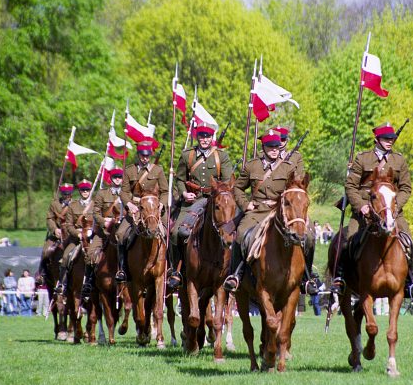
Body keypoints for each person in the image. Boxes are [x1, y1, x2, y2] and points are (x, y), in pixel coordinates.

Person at [331, 121, 413, 293]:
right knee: (348, 239)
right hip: (365, 211)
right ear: (377, 139)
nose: (390, 141)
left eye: (392, 138)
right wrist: (361, 206)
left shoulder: (399, 160)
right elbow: (350, 186)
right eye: (386, 138)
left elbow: (406, 188)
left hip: (390, 210)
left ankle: (409, 282)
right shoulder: (363, 158)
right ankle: (340, 277)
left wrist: (396, 204)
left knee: (407, 239)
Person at [223, 129, 306, 292]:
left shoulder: (288, 168)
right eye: (271, 146)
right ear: (264, 147)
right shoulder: (252, 165)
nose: (275, 149)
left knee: (306, 236)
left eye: (277, 146)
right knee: (240, 234)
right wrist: (246, 205)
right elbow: (238, 188)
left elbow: (295, 190)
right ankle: (236, 275)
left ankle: (307, 278)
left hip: (280, 213)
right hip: (257, 212)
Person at [169, 122, 232, 288]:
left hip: (215, 201)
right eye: (202, 136)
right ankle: (176, 270)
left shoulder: (221, 156)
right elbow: (180, 179)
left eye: (208, 136)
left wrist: (217, 194)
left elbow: (226, 180)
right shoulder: (187, 155)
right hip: (193, 200)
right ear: (197, 137)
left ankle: (230, 272)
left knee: (233, 232)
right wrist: (184, 193)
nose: (204, 139)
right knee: (176, 233)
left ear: (212, 138)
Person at [118, 140, 170, 284]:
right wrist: (129, 204)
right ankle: (123, 269)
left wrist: (161, 205)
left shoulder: (157, 170)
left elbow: (165, 191)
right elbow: (123, 192)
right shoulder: (129, 170)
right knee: (120, 234)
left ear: (151, 155)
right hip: (135, 208)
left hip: (154, 208)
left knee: (170, 232)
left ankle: (170, 269)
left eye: (147, 155)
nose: (145, 158)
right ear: (138, 154)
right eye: (142, 155)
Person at [275, 125, 316, 292]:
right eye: (277, 141)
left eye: (283, 140)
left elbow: (299, 181)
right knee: (244, 234)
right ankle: (238, 273)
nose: (279, 144)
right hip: (269, 204)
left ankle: (307, 276)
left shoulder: (296, 157)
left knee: (310, 235)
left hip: (291, 205)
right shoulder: (264, 157)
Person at [83, 168, 125, 301]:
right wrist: (104, 222)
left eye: (120, 177)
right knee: (90, 255)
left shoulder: (126, 194)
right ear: (111, 179)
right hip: (104, 232)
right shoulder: (102, 194)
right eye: (115, 177)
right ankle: (89, 282)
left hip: (121, 232)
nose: (118, 179)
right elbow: (95, 212)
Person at [55, 179, 93, 295]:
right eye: (83, 190)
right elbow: (69, 225)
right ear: (80, 191)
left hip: (91, 237)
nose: (85, 192)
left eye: (87, 190)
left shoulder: (95, 204)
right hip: (77, 237)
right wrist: (78, 234)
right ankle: (62, 284)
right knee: (66, 256)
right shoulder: (73, 206)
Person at [37, 184, 74, 283]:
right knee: (46, 251)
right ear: (61, 194)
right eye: (64, 194)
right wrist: (54, 230)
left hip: (71, 234)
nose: (66, 196)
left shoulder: (75, 204)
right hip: (57, 234)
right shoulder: (54, 204)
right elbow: (50, 218)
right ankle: (42, 274)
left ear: (71, 194)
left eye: (68, 194)